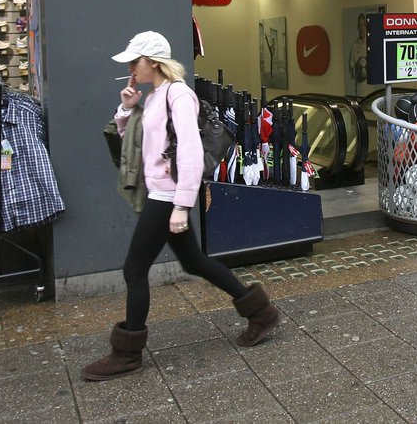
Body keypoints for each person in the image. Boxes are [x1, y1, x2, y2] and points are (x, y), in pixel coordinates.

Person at [82, 31, 282, 382]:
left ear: (154, 62)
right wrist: (127, 110)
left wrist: (181, 205)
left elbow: (190, 153)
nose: (131, 67)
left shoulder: (178, 95)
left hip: (167, 196)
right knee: (194, 261)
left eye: (135, 61)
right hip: (158, 193)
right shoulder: (154, 96)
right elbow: (136, 145)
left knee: (134, 269)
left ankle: (127, 353)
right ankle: (261, 312)